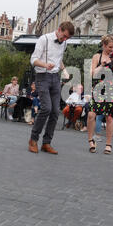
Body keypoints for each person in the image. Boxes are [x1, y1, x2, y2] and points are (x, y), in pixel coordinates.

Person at [28, 21, 74, 155]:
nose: (64, 39)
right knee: (46, 108)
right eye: (64, 36)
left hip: (55, 78)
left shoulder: (64, 43)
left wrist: (64, 70)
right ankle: (33, 139)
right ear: (59, 29)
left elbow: (59, 59)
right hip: (42, 76)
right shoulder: (44, 39)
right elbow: (33, 59)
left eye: (67, 38)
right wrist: (44, 64)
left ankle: (46, 143)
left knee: (55, 111)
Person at [87, 35, 113, 155]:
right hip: (98, 89)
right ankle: (91, 140)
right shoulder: (97, 56)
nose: (112, 49)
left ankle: (108, 144)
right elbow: (92, 73)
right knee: (91, 115)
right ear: (104, 45)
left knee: (109, 117)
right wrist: (101, 65)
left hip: (110, 89)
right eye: (110, 47)